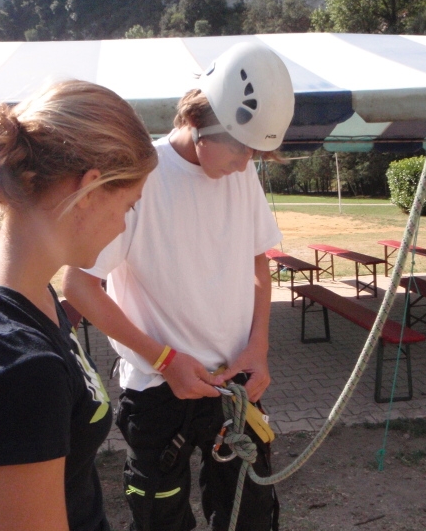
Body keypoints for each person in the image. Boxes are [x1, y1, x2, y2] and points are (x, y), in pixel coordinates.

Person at [62, 42, 295, 531]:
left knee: (249, 516)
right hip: (157, 388)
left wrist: (259, 347)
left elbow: (258, 260)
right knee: (160, 519)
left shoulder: (242, 170)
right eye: (241, 148)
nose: (246, 162)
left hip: (234, 383)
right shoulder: (140, 175)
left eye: (256, 151)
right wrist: (166, 361)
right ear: (200, 123)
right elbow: (80, 286)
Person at [0, 79, 158, 531]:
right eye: (128, 206)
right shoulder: (14, 363)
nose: (124, 225)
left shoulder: (23, 290)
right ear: (89, 192)